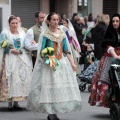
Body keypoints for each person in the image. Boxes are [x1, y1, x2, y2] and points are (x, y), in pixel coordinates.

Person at [27, 12, 81, 120]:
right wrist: (48, 58)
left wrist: (72, 63)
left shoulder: (61, 33)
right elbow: (41, 51)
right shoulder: (45, 34)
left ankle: (54, 112)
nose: (56, 22)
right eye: (54, 20)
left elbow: (66, 50)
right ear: (48, 21)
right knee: (49, 89)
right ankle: (51, 114)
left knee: (58, 89)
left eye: (57, 20)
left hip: (61, 63)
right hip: (49, 65)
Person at [0, 15, 33, 110]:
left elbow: (26, 44)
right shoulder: (4, 33)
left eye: (16, 23)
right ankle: (10, 103)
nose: (15, 25)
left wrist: (32, 44)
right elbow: (2, 47)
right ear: (9, 24)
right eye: (12, 23)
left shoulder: (22, 33)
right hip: (10, 58)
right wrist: (10, 50)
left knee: (19, 79)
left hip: (22, 58)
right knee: (11, 79)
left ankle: (16, 102)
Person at [88, 13, 120, 107]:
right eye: (113, 21)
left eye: (117, 21)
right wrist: (116, 56)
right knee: (107, 81)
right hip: (110, 58)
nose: (115, 23)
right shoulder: (108, 32)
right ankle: (109, 102)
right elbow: (109, 46)